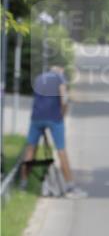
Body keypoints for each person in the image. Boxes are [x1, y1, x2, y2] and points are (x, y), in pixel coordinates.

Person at [20, 65, 87, 198]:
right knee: (61, 150)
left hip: (36, 117)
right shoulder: (59, 78)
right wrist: (63, 113)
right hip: (54, 118)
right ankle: (70, 187)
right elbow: (64, 99)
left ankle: (23, 184)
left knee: (30, 149)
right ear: (60, 70)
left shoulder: (39, 78)